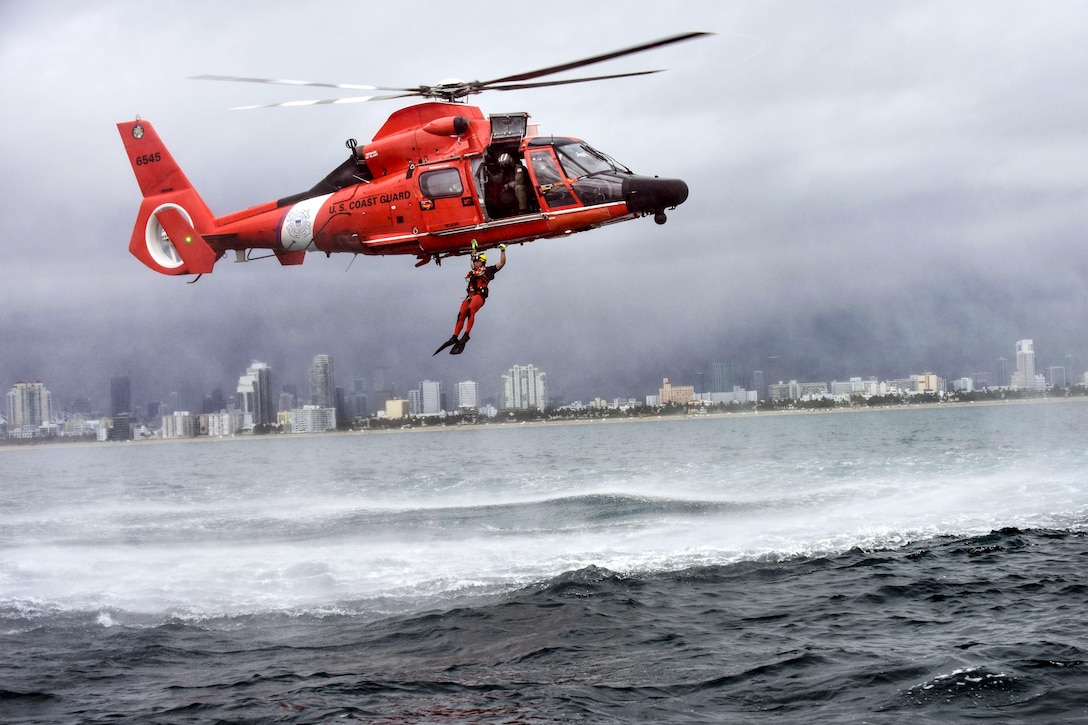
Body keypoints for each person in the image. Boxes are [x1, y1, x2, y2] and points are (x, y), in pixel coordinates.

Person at [433, 242, 507, 355]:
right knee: (461, 314)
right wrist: (474, 249)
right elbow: (472, 260)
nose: (475, 262)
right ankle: (454, 336)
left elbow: (502, 263)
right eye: (475, 261)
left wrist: (502, 250)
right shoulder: (473, 270)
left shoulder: (488, 270)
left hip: (479, 296)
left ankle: (466, 335)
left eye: (477, 260)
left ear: (482, 261)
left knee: (471, 309)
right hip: (470, 296)